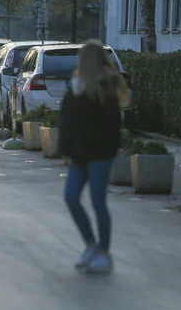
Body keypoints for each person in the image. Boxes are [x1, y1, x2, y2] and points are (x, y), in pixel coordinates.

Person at [58, 39, 128, 274]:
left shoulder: (105, 88)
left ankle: (104, 253)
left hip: (99, 154)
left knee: (98, 201)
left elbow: (110, 125)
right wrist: (67, 149)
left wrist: (87, 144)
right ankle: (90, 244)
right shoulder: (76, 86)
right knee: (71, 197)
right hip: (80, 154)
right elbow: (66, 120)